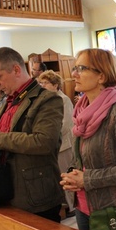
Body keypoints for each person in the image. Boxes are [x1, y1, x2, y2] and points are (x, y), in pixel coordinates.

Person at [60, 49, 116, 230]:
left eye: (81, 68)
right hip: (83, 202)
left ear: (101, 76)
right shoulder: (82, 111)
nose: (74, 74)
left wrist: (87, 179)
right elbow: (82, 156)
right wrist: (73, 174)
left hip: (109, 205)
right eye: (75, 68)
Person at [0, 47, 64, 222]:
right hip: (8, 189)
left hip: (35, 194)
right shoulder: (9, 100)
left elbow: (45, 142)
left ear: (16, 70)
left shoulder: (46, 99)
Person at [38, 70, 75, 217]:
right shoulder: (46, 100)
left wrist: (50, 135)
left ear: (55, 84)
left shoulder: (63, 99)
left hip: (63, 144)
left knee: (66, 175)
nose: (42, 86)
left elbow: (65, 124)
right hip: (52, 144)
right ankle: (63, 204)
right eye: (41, 83)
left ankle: (73, 207)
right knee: (57, 177)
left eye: (45, 83)